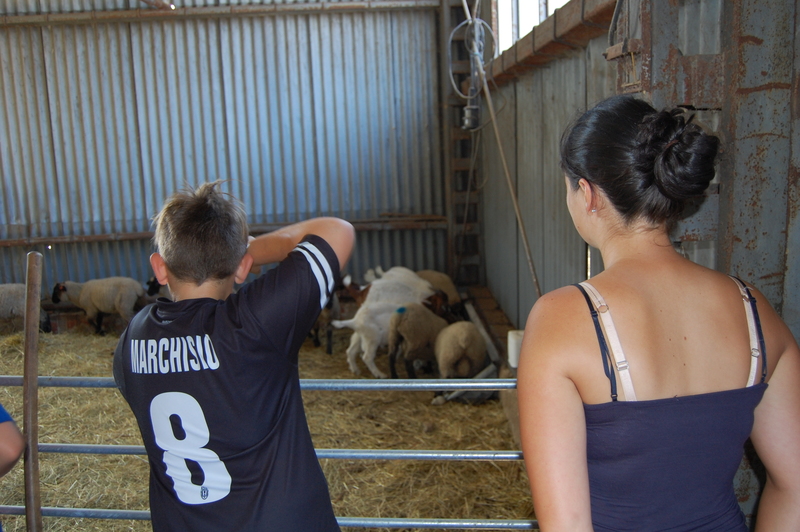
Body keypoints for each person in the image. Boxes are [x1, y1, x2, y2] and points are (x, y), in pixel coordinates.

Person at [516, 95, 800, 531]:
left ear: (587, 194)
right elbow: (795, 486)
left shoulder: (560, 319)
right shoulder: (753, 309)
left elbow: (566, 524)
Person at [113, 181, 355, 531]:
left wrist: (240, 254)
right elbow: (337, 231)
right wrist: (251, 249)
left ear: (159, 268)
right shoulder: (253, 324)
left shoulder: (133, 339)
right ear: (242, 266)